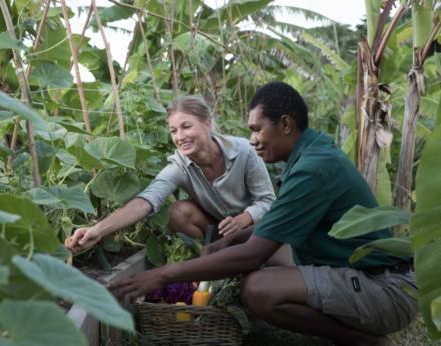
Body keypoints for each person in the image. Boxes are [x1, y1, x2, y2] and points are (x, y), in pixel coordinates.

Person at [109, 82, 418, 346]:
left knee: (257, 290)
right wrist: (227, 242)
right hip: (366, 274)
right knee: (270, 255)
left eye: (257, 129)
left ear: (285, 124)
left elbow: (252, 256)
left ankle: (365, 341)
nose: (253, 139)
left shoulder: (312, 170)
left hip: (387, 293)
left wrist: (163, 273)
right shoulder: (312, 152)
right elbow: (268, 229)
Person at [65, 95, 276, 252]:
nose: (180, 136)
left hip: (255, 227)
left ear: (207, 124)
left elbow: (268, 201)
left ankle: (242, 253)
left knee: (264, 238)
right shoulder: (180, 166)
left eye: (186, 126)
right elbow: (146, 201)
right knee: (178, 212)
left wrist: (244, 218)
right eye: (174, 131)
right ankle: (210, 254)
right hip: (219, 229)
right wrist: (97, 230)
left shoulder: (244, 151)